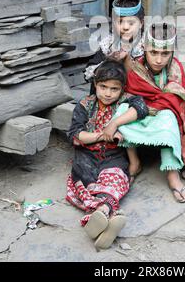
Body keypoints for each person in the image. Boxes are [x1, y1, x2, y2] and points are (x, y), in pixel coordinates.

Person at [102, 22, 185, 203]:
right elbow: (130, 95)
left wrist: (146, 109)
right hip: (141, 111)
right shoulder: (137, 67)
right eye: (154, 53)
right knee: (122, 109)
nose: (159, 60)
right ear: (144, 48)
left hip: (163, 113)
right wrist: (140, 109)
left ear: (172, 52)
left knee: (169, 118)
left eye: (165, 54)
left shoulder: (175, 68)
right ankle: (134, 162)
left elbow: (174, 100)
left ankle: (172, 173)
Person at [66, 59, 149, 250]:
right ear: (95, 84)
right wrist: (101, 135)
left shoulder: (125, 101)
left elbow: (142, 108)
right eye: (103, 87)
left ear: (122, 89)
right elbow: (75, 135)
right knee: (86, 184)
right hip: (86, 156)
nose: (108, 93)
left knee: (116, 178)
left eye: (114, 89)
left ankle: (99, 216)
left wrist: (115, 123)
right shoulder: (85, 105)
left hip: (114, 156)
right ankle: (105, 215)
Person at [85, 0, 145, 182]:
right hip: (109, 94)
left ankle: (132, 159)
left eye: (130, 22)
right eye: (120, 22)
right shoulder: (108, 43)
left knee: (127, 111)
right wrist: (108, 63)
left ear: (141, 23)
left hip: (134, 95)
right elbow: (90, 72)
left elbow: (149, 77)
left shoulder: (146, 45)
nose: (125, 27)